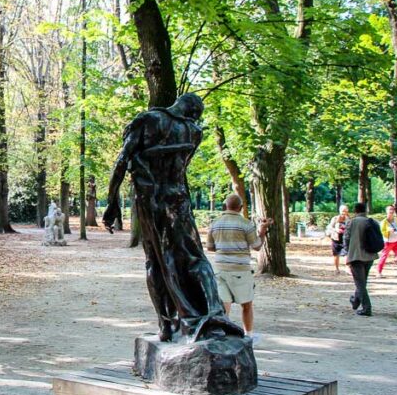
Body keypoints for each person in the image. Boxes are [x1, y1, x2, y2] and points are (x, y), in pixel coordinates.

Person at [103, 93, 243, 342]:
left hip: (151, 201)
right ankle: (212, 310)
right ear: (191, 111)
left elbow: (122, 160)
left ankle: (166, 324)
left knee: (155, 262)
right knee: (194, 256)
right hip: (179, 200)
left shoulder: (147, 120)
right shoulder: (193, 131)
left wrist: (112, 201)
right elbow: (181, 169)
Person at [206, 194, 273, 339]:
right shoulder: (246, 224)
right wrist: (262, 231)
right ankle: (248, 335)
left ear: (226, 206)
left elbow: (210, 247)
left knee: (224, 305)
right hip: (241, 270)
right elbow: (256, 246)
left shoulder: (215, 223)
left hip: (220, 269)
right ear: (241, 208)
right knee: (246, 305)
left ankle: (222, 335)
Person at [343, 202, 382, 317]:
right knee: (362, 281)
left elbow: (346, 238)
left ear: (355, 211)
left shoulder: (352, 222)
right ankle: (355, 300)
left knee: (360, 283)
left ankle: (367, 308)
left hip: (356, 255)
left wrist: (347, 252)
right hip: (370, 255)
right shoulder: (373, 222)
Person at [377, 204, 397, 278]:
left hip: (396, 241)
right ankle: (379, 271)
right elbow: (382, 232)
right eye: (390, 209)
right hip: (388, 242)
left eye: (392, 209)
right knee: (384, 256)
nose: (391, 211)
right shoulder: (384, 222)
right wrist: (388, 231)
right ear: (386, 211)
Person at [325, 205, 350, 274]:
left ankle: (347, 268)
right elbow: (329, 227)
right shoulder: (335, 218)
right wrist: (336, 229)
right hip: (336, 238)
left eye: (345, 211)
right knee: (336, 254)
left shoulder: (348, 219)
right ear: (340, 211)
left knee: (348, 253)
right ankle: (337, 268)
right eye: (343, 211)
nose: (344, 213)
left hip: (345, 238)